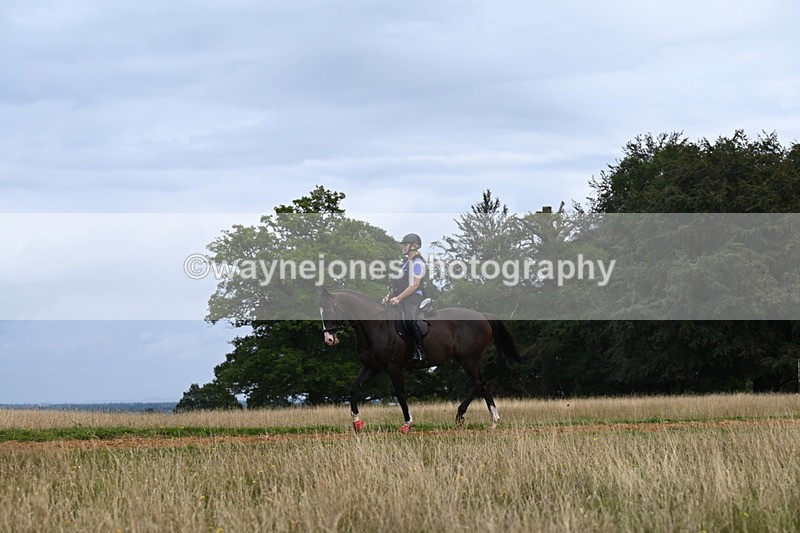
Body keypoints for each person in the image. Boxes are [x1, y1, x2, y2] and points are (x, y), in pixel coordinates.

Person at [383, 233, 428, 362]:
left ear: (414, 246)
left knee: (409, 319)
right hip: (401, 296)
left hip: (414, 296)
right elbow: (397, 284)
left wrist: (398, 298)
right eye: (403, 244)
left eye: (405, 244)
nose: (403, 247)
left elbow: (414, 285)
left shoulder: (418, 263)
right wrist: (388, 296)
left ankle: (421, 351)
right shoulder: (404, 263)